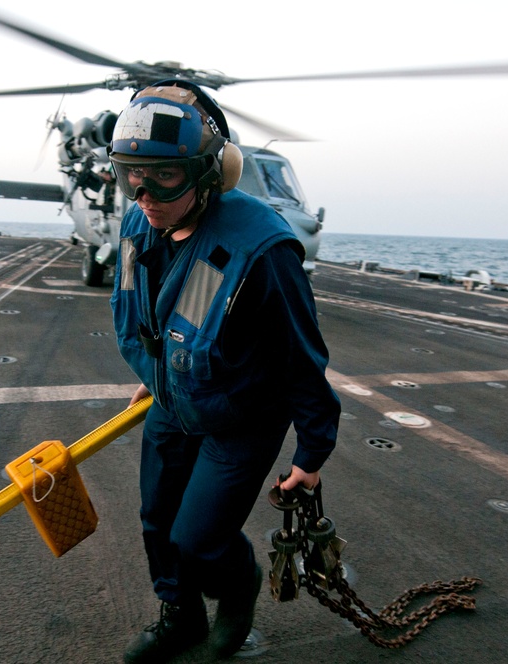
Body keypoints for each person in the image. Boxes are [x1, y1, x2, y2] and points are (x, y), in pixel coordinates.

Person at [108, 80, 340, 663]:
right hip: (175, 398)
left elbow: (302, 361)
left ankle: (238, 593)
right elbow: (149, 309)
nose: (145, 194)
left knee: (199, 539)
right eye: (131, 174)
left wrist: (311, 454)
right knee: (157, 522)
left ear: (212, 173)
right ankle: (180, 617)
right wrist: (156, 370)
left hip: (243, 414)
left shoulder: (262, 250)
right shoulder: (142, 221)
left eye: (165, 176)